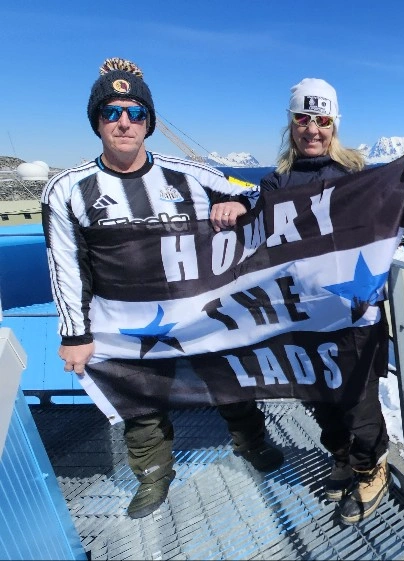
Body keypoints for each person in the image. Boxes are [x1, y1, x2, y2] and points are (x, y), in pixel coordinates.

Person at [41, 58, 284, 520]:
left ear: (149, 122)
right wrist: (75, 334)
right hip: (122, 325)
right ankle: (153, 474)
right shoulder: (67, 189)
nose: (124, 122)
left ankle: (253, 442)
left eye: (135, 112)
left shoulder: (187, 174)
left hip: (199, 315)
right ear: (97, 122)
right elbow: (66, 265)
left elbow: (256, 195)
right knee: (140, 406)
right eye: (112, 112)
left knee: (232, 381)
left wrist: (234, 201)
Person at [260, 78, 404, 524]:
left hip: (353, 318)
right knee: (318, 398)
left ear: (334, 124)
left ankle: (370, 468)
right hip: (300, 317)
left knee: (358, 403)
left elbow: (400, 224)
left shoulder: (357, 180)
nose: (312, 129)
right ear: (291, 123)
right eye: (303, 118)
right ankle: (342, 457)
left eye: (322, 120)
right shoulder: (275, 185)